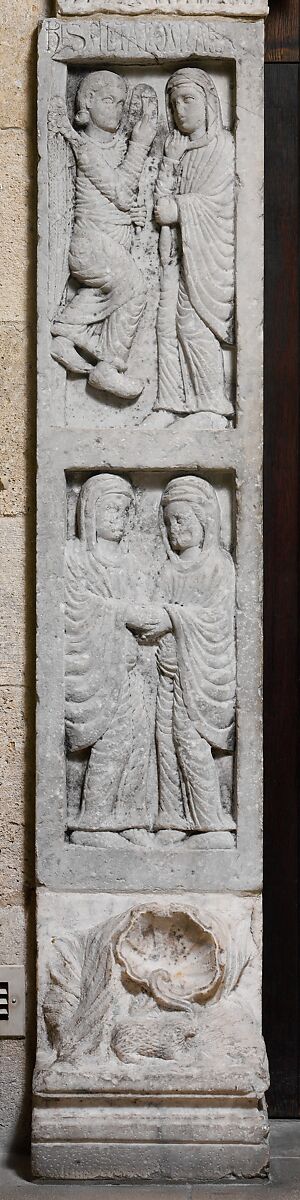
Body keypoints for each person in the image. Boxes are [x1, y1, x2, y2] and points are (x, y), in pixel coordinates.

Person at [132, 477, 236, 836]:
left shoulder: (218, 566)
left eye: (182, 520)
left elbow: (217, 618)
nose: (174, 529)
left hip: (199, 673)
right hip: (168, 670)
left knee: (190, 742)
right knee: (165, 740)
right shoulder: (168, 568)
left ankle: (210, 823)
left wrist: (172, 619)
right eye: (169, 523)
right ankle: (172, 817)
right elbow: (155, 609)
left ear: (204, 521)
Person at [49, 72, 157, 399]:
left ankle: (66, 336)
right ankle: (108, 366)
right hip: (90, 245)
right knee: (134, 286)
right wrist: (140, 144)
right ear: (86, 103)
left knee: (110, 289)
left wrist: (136, 213)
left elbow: (126, 201)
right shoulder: (85, 147)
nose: (117, 109)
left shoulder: (117, 146)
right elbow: (121, 191)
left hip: (111, 244)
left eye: (121, 102)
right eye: (108, 101)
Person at [65, 473, 151, 836]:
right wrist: (121, 613)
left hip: (129, 666)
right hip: (95, 669)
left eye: (124, 510)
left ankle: (127, 816)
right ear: (89, 512)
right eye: (111, 509)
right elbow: (74, 605)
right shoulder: (74, 557)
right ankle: (92, 824)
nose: (119, 517)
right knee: (112, 741)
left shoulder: (130, 563)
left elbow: (144, 603)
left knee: (138, 737)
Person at [153, 69, 235, 421]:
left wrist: (180, 209)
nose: (180, 110)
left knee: (192, 325)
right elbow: (159, 204)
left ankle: (213, 405)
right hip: (175, 255)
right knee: (164, 326)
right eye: (173, 104)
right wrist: (170, 161)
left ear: (209, 103)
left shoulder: (224, 147)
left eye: (188, 101)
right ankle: (169, 402)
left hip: (208, 254)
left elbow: (219, 204)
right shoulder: (177, 150)